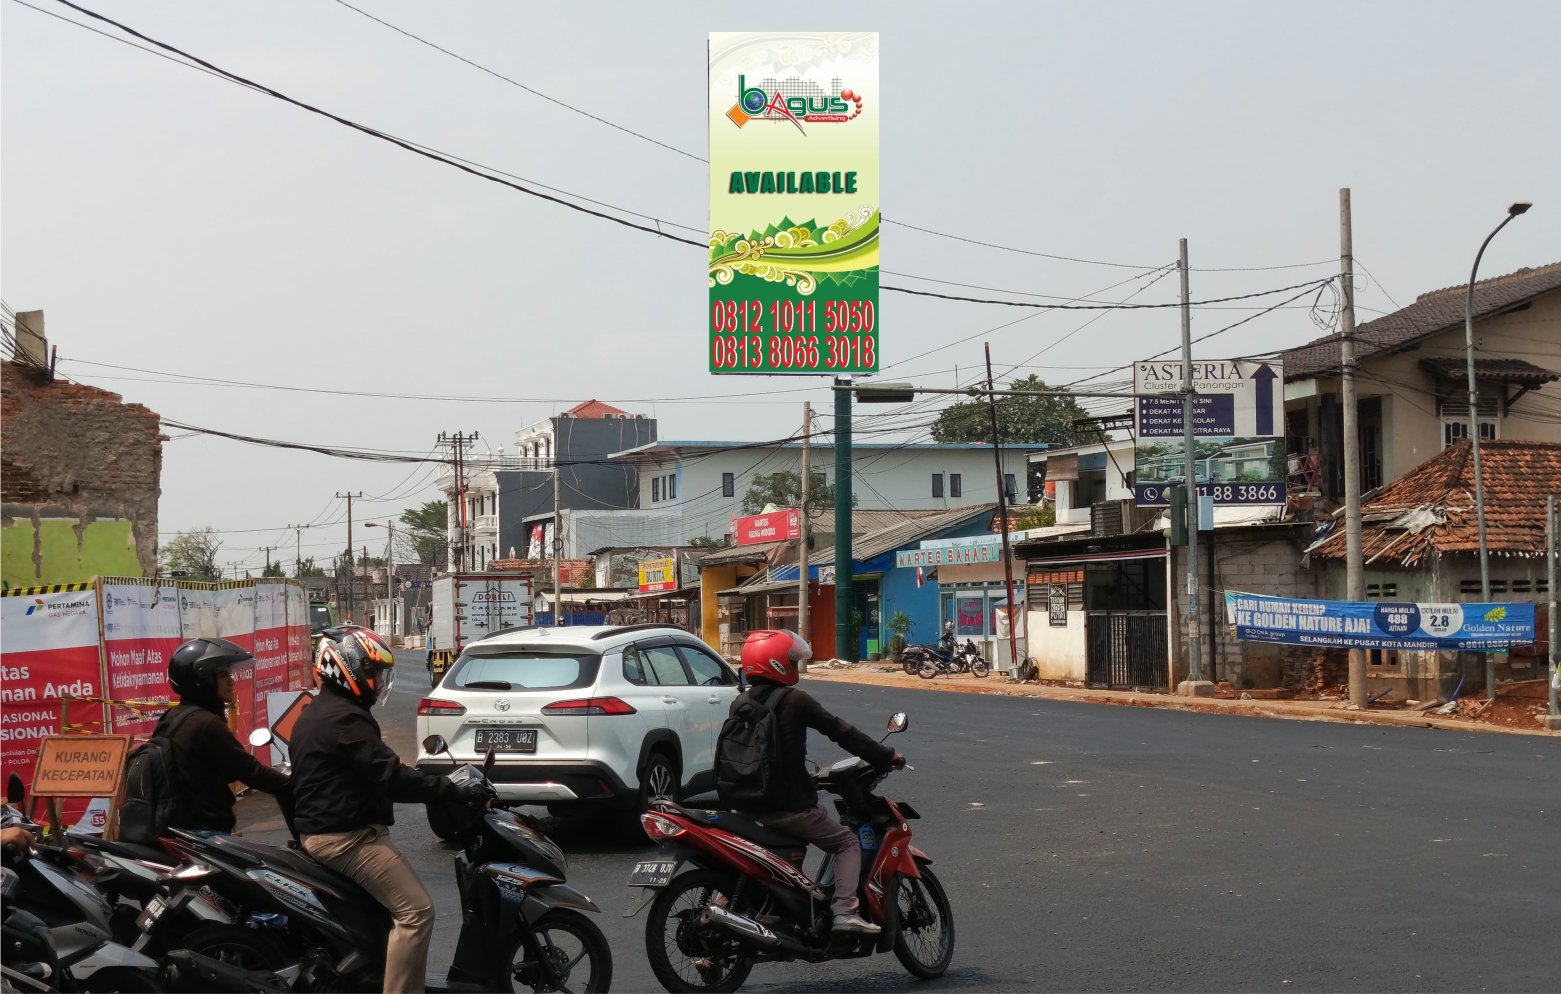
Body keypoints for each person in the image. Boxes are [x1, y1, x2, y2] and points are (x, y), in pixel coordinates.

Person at [289, 626, 486, 994]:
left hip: (325, 831)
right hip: (347, 840)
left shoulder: (319, 710)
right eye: (372, 671)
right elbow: (391, 776)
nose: (378, 681)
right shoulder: (345, 719)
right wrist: (449, 790)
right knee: (416, 913)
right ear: (345, 668)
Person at [735, 630, 904, 935]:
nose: (795, 664)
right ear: (775, 662)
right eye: (791, 659)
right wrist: (885, 755)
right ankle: (843, 912)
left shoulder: (741, 702)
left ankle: (768, 910)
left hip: (745, 805)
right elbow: (841, 732)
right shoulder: (795, 700)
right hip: (787, 806)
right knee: (846, 842)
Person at [157, 638, 290, 834]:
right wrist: (296, 786)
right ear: (202, 680)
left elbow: (227, 771)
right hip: (205, 833)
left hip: (177, 828)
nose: (232, 681)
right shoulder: (207, 724)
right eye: (223, 674)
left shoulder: (172, 717)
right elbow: (251, 772)